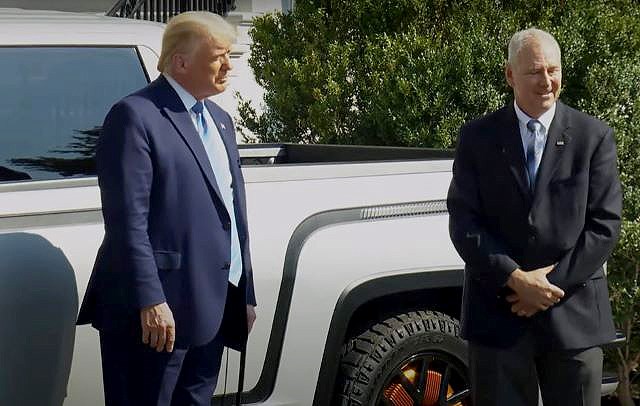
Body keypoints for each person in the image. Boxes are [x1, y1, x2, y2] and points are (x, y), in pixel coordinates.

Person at [77, 11, 257, 406]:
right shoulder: (135, 116)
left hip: (213, 308)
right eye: (218, 56)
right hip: (156, 316)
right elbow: (128, 222)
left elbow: (231, 212)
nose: (228, 66)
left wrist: (245, 293)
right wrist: (151, 301)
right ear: (180, 62)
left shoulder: (221, 121)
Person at [447, 28, 622, 406]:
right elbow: (464, 222)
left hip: (573, 317)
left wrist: (546, 287)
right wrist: (514, 279)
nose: (547, 81)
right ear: (510, 75)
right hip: (498, 315)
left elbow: (604, 225)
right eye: (535, 72)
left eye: (554, 70)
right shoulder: (477, 138)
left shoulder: (594, 137)